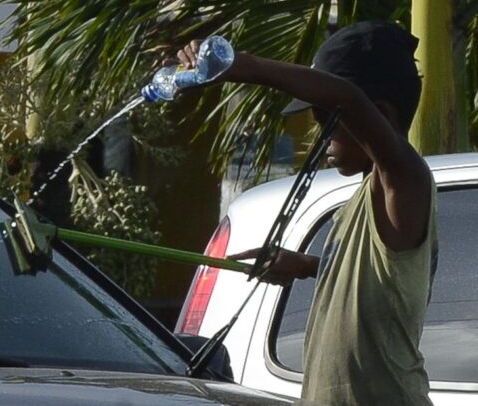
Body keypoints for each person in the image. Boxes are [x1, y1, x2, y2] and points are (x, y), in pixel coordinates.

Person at [175, 21, 437, 405]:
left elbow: (349, 100)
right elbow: (385, 281)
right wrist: (310, 266)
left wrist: (244, 67)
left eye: (324, 120)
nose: (319, 136)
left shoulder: (406, 180)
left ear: (378, 115)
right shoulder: (365, 200)